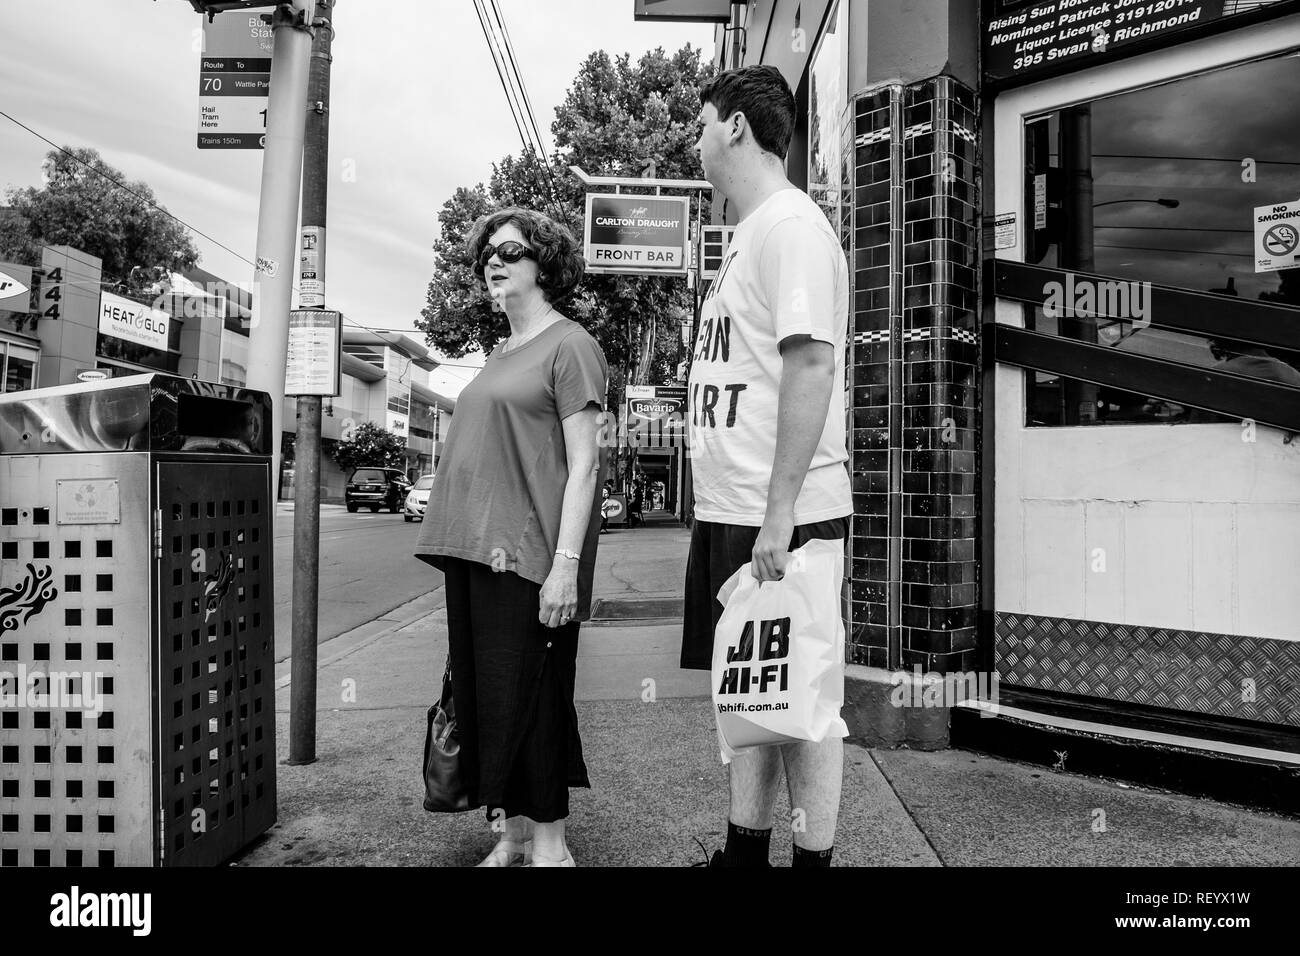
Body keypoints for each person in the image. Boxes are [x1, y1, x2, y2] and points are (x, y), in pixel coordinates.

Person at [682, 64, 852, 868]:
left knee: (804, 698)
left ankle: (812, 861)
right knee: (751, 684)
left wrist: (780, 512)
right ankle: (744, 854)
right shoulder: (752, 231)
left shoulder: (790, 227)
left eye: (702, 121)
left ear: (737, 128)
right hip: (736, 506)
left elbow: (811, 365)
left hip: (779, 512)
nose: (696, 137)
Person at [413, 207, 608, 867]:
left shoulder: (571, 345)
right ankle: (515, 834)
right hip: (475, 552)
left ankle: (550, 847)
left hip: (529, 557)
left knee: (535, 699)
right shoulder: (500, 351)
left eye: (510, 250)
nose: (493, 261)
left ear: (544, 263)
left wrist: (566, 568)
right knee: (489, 696)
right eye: (487, 255)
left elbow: (585, 465)